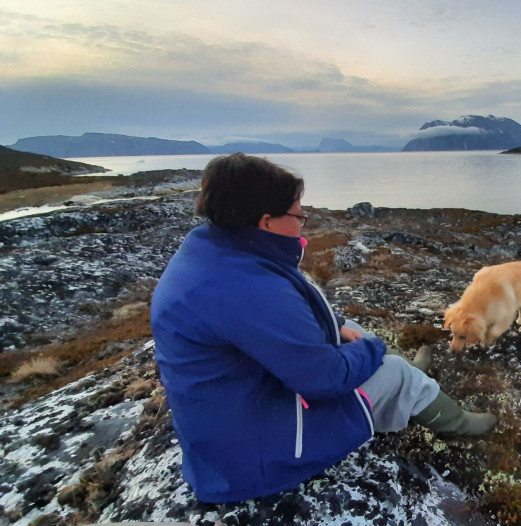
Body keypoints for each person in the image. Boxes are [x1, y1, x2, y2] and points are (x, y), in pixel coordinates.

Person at [150, 153, 496, 504]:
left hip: (235, 419)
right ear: (266, 222)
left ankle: (407, 377)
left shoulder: (215, 251)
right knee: (393, 372)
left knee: (348, 329)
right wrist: (373, 348)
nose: (303, 224)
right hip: (255, 459)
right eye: (298, 215)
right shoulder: (247, 288)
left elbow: (267, 327)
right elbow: (325, 378)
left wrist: (339, 328)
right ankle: (456, 421)